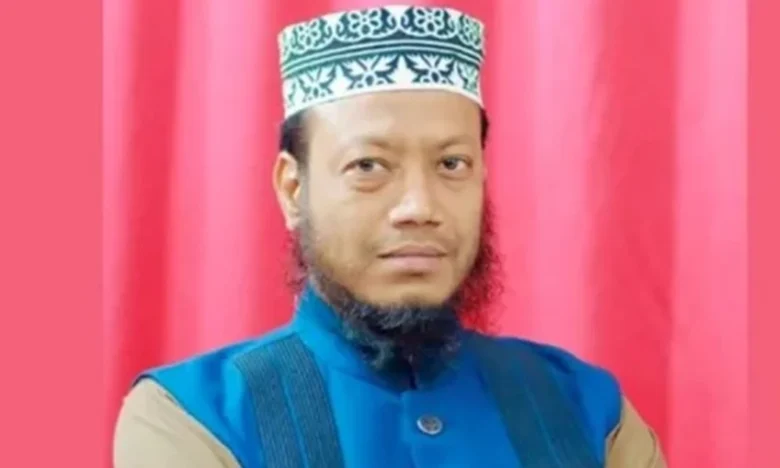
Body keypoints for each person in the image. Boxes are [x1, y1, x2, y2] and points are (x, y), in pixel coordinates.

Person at [113, 5, 666, 467]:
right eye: (369, 166)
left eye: (451, 164)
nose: (419, 207)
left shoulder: (591, 411)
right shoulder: (192, 417)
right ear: (292, 189)